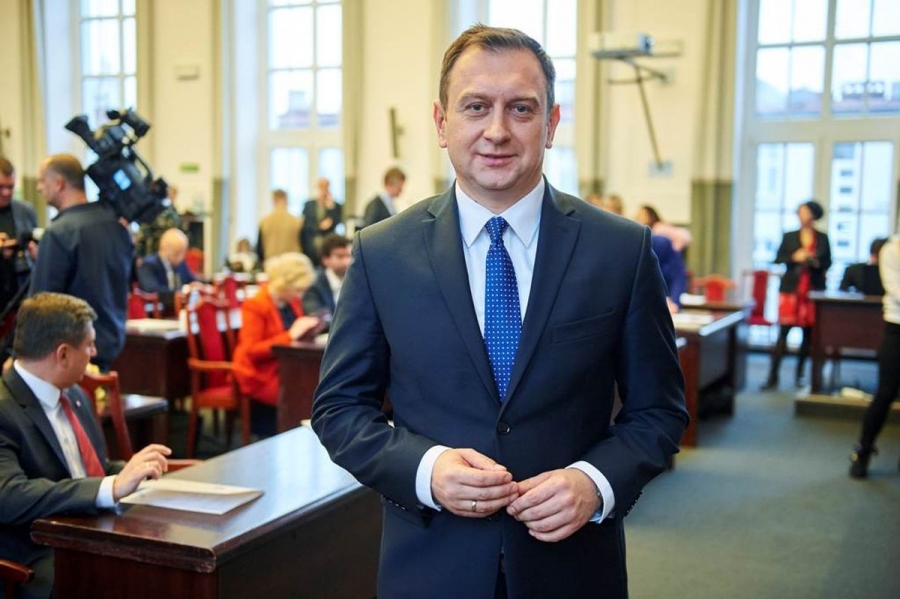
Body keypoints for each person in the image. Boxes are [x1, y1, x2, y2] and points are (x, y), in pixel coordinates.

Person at [311, 25, 688, 599]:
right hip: (431, 567)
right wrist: (426, 469)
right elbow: (339, 409)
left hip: (572, 569)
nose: (496, 131)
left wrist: (595, 483)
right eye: (475, 107)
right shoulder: (381, 252)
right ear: (441, 123)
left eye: (521, 108)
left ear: (551, 124)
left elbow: (658, 411)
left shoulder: (620, 250)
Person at [0, 292, 171, 599]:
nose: (95, 352)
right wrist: (111, 486)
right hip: (36, 553)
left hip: (90, 531)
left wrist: (141, 473)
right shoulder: (4, 408)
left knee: (170, 558)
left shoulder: (75, 395)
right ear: (63, 354)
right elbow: (9, 495)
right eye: (89, 344)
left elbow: (95, 470)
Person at [28, 154, 133, 372]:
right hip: (111, 346)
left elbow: (40, 306)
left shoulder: (59, 233)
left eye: (42, 181)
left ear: (59, 183)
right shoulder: (116, 226)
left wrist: (20, 356)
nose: (39, 187)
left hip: (69, 357)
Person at [233, 253, 321, 437]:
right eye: (298, 290)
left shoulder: (291, 302)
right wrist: (290, 335)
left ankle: (302, 434)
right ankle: (288, 434)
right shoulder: (255, 305)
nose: (300, 295)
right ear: (285, 284)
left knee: (315, 382)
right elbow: (252, 351)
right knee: (303, 390)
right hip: (260, 373)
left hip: (284, 366)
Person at [762, 200, 832, 390]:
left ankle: (800, 375)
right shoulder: (790, 236)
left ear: (813, 215)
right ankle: (773, 375)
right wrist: (794, 257)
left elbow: (828, 262)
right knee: (783, 334)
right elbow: (778, 258)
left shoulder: (822, 238)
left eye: (805, 212)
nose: (801, 215)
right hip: (791, 290)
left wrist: (814, 261)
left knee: (807, 337)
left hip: (812, 291)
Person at [849, 235, 899, 478]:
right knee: (886, 393)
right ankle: (864, 450)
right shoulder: (892, 249)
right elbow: (896, 291)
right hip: (897, 329)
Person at [0, 157, 38, 319]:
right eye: (1, 187)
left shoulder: (26, 211)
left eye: (10, 187)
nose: (6, 193)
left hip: (20, 289)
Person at [136, 228, 198, 307]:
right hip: (157, 310)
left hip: (179, 308)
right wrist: (180, 292)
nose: (181, 257)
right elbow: (152, 291)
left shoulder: (180, 264)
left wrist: (196, 286)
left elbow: (192, 281)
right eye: (177, 252)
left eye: (183, 252)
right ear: (164, 248)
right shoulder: (148, 265)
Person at [302, 233, 352, 320]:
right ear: (325, 260)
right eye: (340, 256)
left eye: (349, 256)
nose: (347, 262)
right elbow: (318, 318)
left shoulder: (358, 281)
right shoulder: (313, 285)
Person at [301, 178, 343, 266]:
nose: (324, 190)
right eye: (322, 187)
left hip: (328, 242)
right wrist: (319, 226)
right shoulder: (309, 205)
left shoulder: (335, 206)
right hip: (312, 242)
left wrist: (331, 208)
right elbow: (306, 223)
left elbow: (337, 222)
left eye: (326, 187)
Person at [134, 185, 183, 258]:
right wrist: (139, 253)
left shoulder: (174, 212)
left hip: (167, 251)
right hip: (153, 250)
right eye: (170, 193)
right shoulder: (158, 209)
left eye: (174, 193)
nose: (171, 196)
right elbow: (145, 228)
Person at [256, 189, 302, 263]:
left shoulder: (264, 221)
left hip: (272, 263)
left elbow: (259, 249)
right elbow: (304, 244)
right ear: (286, 200)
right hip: (292, 262)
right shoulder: (297, 221)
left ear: (273, 201)